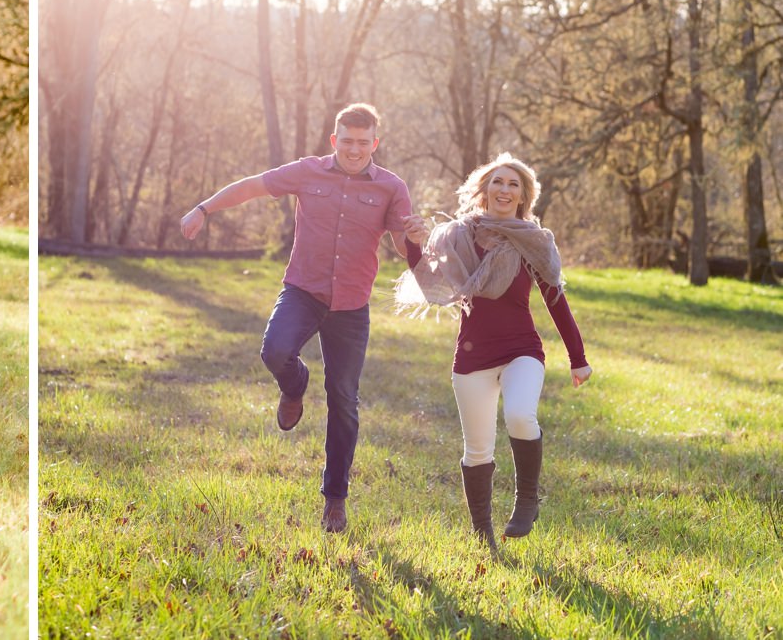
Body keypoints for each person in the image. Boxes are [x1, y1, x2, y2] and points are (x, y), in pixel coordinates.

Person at [180, 102, 415, 533]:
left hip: (350, 306)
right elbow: (253, 185)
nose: (355, 149)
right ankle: (295, 386)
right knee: (275, 351)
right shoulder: (309, 171)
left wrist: (416, 238)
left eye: (364, 142)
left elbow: (403, 245)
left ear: (375, 143)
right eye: (347, 141)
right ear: (334, 140)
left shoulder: (391, 187)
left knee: (344, 401)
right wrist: (203, 209)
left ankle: (335, 500)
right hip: (303, 291)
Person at [397, 152, 592, 551]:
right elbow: (431, 285)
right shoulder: (458, 236)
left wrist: (578, 357)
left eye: (513, 184)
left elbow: (555, 299)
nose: (505, 190)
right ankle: (482, 531)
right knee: (478, 448)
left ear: (524, 196)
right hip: (472, 356)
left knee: (521, 415)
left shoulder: (532, 241)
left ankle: (527, 500)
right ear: (484, 191)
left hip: (522, 349)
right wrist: (414, 246)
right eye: (498, 182)